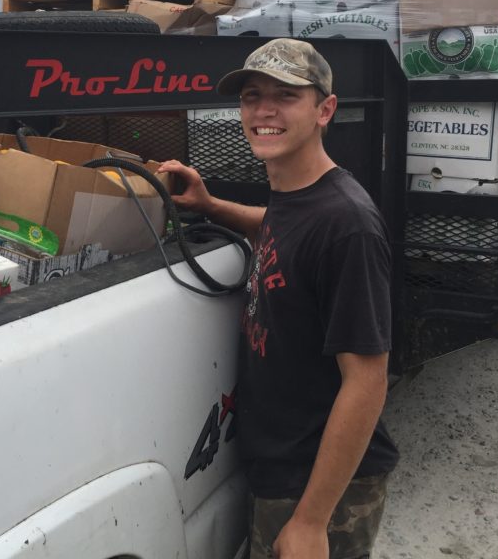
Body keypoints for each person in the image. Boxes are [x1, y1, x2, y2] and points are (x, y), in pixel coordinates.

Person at [158, 38, 399, 559]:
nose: (263, 110)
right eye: (251, 95)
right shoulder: (298, 196)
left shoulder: (347, 226)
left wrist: (312, 520)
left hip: (315, 486)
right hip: (282, 467)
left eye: (286, 96)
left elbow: (367, 381)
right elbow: (281, 227)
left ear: (324, 109)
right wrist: (210, 205)